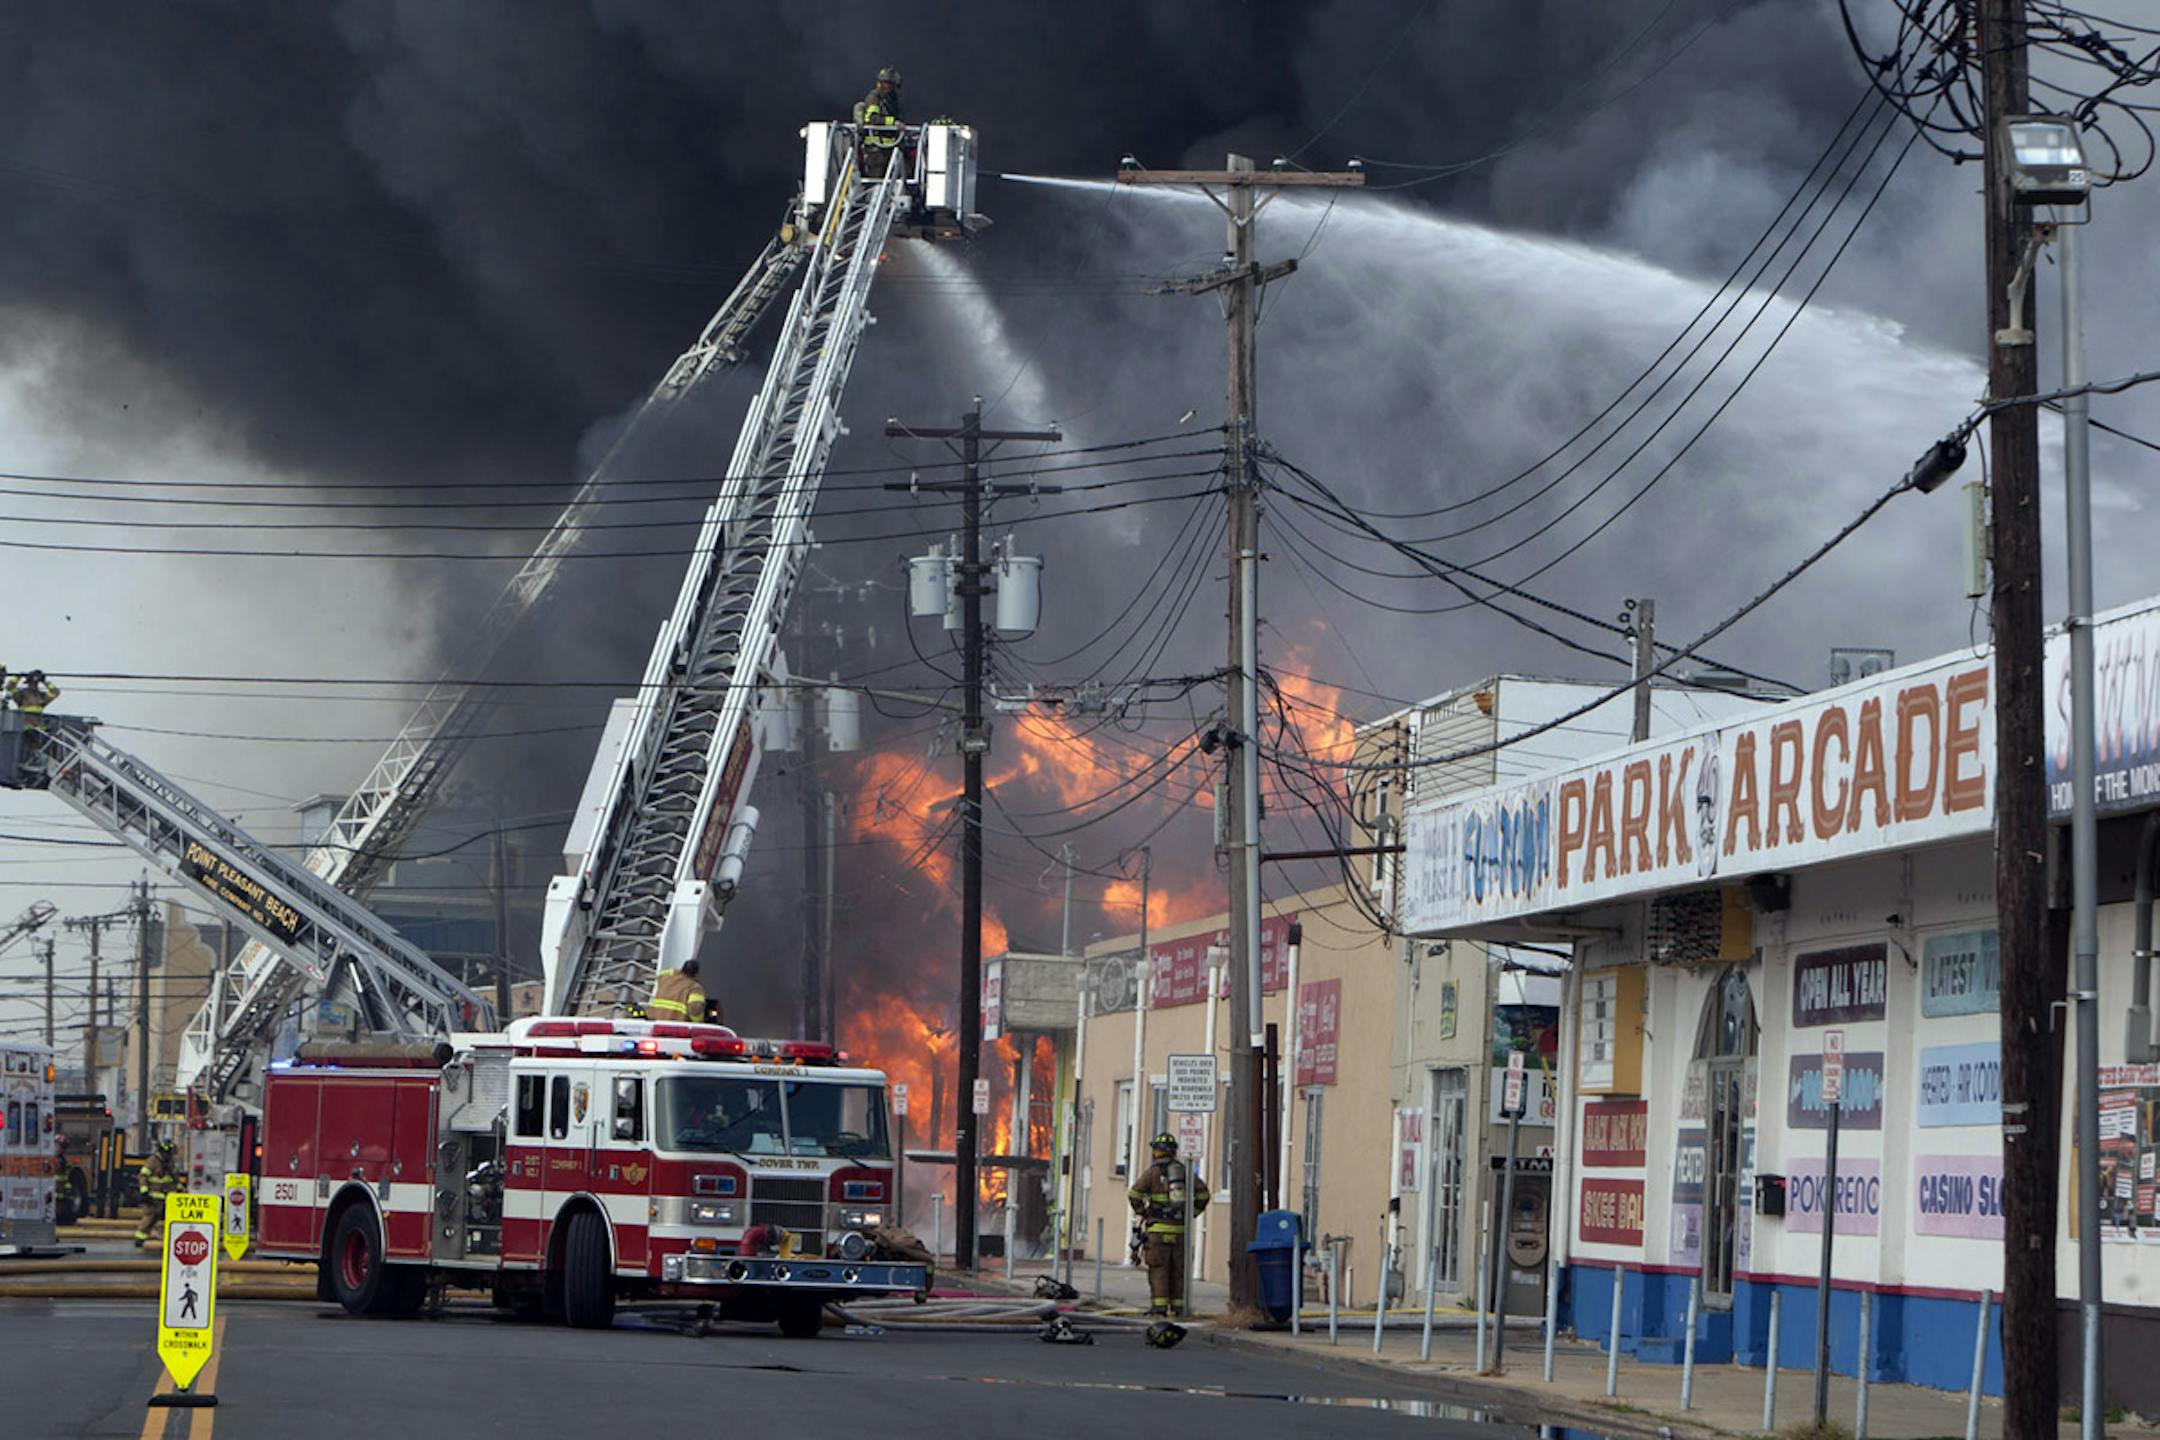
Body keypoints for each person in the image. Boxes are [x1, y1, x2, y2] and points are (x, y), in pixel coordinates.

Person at [1126, 1132, 1210, 1317]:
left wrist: (1143, 1212)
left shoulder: (1152, 1173)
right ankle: (1179, 1307)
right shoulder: (1184, 1171)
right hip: (1180, 1231)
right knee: (1178, 1271)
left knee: (1159, 1270)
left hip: (1157, 1232)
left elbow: (1134, 1194)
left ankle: (1159, 1308)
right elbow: (1204, 1195)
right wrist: (1191, 1215)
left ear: (1156, 1151)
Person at [135, 1138, 181, 1247]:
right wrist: (144, 1192)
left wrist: (180, 1189)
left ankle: (169, 1239)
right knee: (149, 1218)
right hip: (153, 1197)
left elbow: (174, 1178)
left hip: (168, 1198)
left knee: (171, 1219)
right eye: (168, 1153)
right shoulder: (152, 1161)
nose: (169, 1155)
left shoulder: (170, 1162)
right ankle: (140, 1239)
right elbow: (143, 1176)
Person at [648, 959, 708, 1024]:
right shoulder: (694, 988)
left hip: (655, 1022)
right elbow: (694, 1010)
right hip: (676, 1026)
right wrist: (699, 1023)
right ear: (696, 973)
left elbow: (662, 973)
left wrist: (676, 972)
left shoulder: (665, 978)